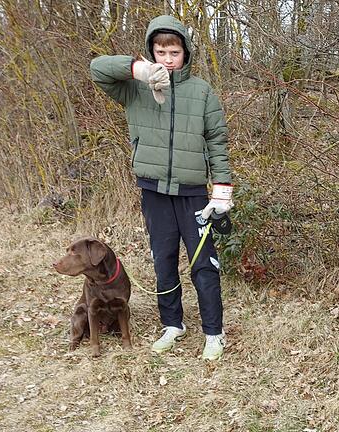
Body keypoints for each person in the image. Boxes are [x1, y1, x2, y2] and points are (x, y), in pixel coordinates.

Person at [90, 15, 233, 360]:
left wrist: (222, 190)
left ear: (185, 53)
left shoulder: (201, 92)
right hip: (153, 190)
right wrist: (139, 70)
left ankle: (214, 332)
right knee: (163, 260)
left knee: (204, 263)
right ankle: (173, 325)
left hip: (193, 193)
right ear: (151, 52)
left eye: (174, 51)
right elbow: (97, 69)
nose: (168, 58)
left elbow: (217, 141)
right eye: (160, 51)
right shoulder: (135, 88)